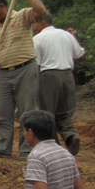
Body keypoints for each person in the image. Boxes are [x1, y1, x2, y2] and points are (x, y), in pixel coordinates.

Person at [0, 0, 47, 160]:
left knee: (27, 112)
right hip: (4, 73)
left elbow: (41, 10)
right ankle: (3, 147)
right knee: (1, 112)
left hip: (26, 69)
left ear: (2, 6)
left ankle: (26, 150)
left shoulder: (22, 15)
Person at [33, 13, 85, 155]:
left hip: (49, 76)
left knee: (47, 113)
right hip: (68, 75)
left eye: (34, 23)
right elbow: (80, 55)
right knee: (64, 112)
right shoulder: (66, 35)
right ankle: (70, 135)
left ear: (41, 22)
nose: (33, 27)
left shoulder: (38, 39)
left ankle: (53, 147)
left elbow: (36, 64)